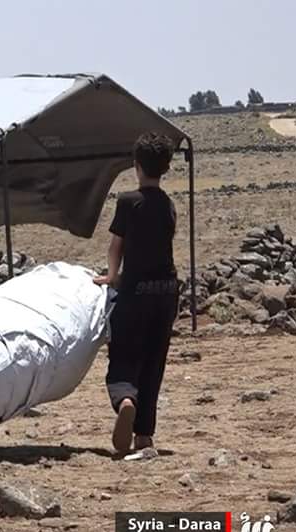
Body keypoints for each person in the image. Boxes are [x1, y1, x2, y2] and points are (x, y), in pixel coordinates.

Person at [93, 132, 179, 455]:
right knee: (153, 363)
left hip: (136, 292)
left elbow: (117, 246)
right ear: (166, 167)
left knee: (124, 357)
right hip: (167, 293)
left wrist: (111, 277)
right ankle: (144, 435)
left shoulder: (128, 201)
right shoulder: (169, 206)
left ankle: (125, 400)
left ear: (137, 165)